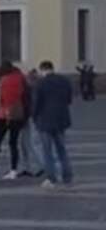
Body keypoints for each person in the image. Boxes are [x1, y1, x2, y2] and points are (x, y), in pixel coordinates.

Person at [33, 61, 74, 189]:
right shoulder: (64, 81)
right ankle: (67, 176)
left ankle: (51, 178)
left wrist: (34, 117)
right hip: (61, 119)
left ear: (42, 70)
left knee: (47, 151)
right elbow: (69, 99)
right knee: (62, 149)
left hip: (45, 120)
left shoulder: (40, 83)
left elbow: (36, 103)